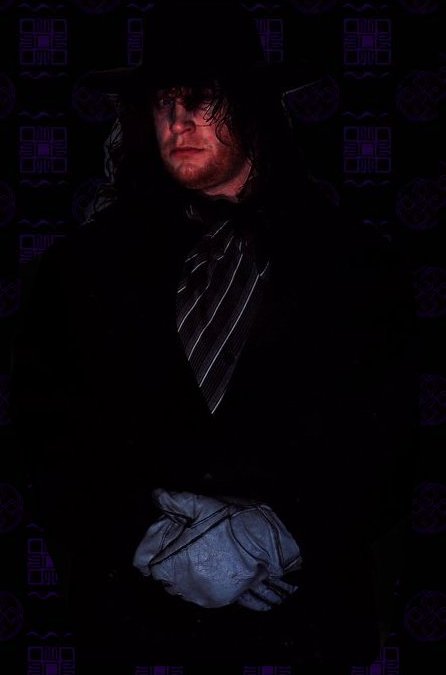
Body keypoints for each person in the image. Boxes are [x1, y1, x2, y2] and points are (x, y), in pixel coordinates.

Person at [11, 0, 419, 672]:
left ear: (257, 108)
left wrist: (276, 535)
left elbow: (398, 433)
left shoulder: (359, 264)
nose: (180, 120)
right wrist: (152, 543)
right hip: (135, 637)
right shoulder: (79, 269)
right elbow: (42, 435)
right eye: (163, 101)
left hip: (307, 635)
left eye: (204, 98)